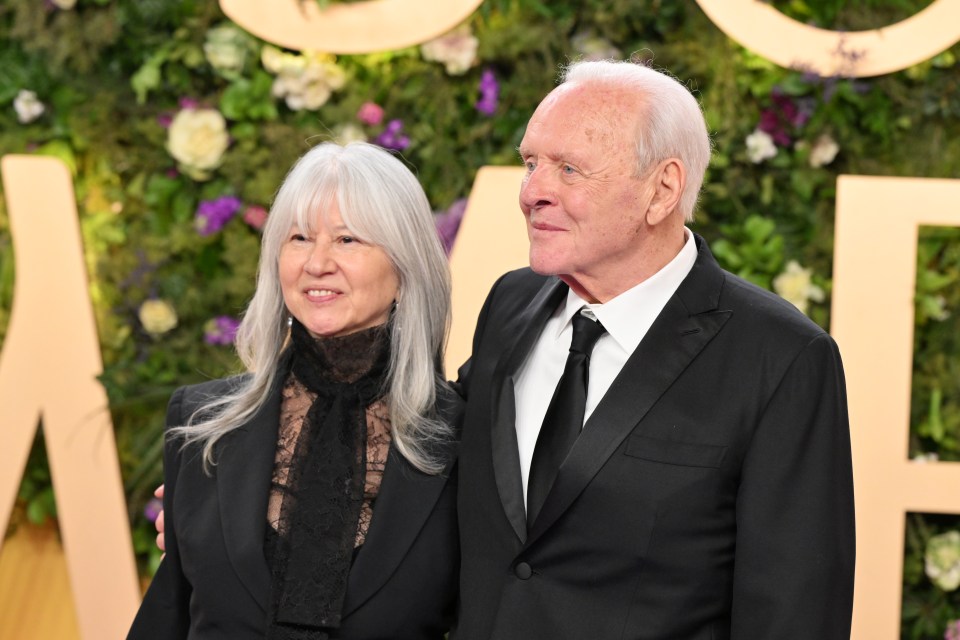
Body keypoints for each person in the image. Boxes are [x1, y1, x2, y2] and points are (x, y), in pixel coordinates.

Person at [452, 60, 855, 638]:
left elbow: (794, 612)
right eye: (531, 163)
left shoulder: (781, 358)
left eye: (569, 169)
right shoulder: (510, 305)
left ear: (661, 189)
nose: (533, 192)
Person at [130, 141, 460, 639]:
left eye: (348, 240)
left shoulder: (464, 436)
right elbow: (170, 615)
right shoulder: (201, 424)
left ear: (405, 266)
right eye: (300, 238)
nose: (317, 263)